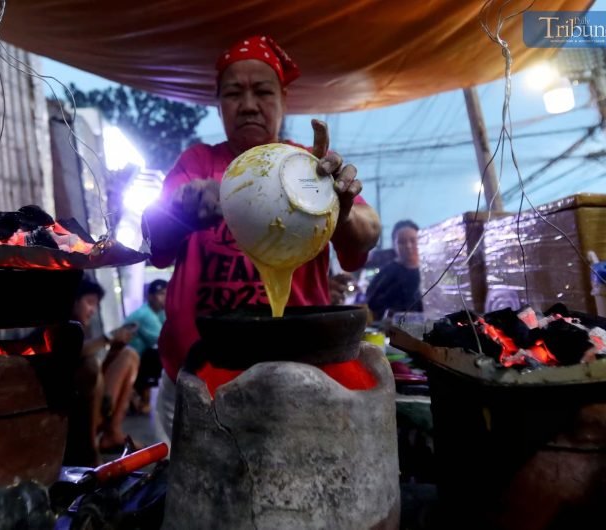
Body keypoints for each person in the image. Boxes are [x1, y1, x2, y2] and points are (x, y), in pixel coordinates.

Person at [142, 35, 381, 441]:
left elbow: (369, 231)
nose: (249, 104)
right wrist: (182, 206)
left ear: (284, 101)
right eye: (234, 93)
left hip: (300, 375)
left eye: (263, 91)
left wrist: (341, 210)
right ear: (218, 104)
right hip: (199, 374)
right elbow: (154, 237)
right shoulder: (198, 162)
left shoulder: (309, 166)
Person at [68, 278, 141, 463]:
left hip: (96, 404)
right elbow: (73, 353)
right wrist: (108, 337)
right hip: (74, 418)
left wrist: (115, 347)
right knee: (90, 367)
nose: (93, 310)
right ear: (73, 300)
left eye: (96, 305)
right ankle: (89, 449)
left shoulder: (83, 328)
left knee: (128, 355)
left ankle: (112, 434)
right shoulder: (61, 327)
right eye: (89, 302)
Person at [124, 279, 168, 414]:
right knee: (156, 354)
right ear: (150, 296)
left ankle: (139, 397)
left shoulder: (159, 312)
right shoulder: (146, 314)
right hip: (128, 359)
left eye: (166, 293)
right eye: (160, 293)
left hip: (136, 356)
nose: (164, 297)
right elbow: (164, 339)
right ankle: (143, 399)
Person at [364, 220, 422, 320]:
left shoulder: (430, 272)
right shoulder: (387, 273)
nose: (408, 246)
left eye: (413, 240)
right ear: (394, 245)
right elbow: (372, 304)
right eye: (402, 242)